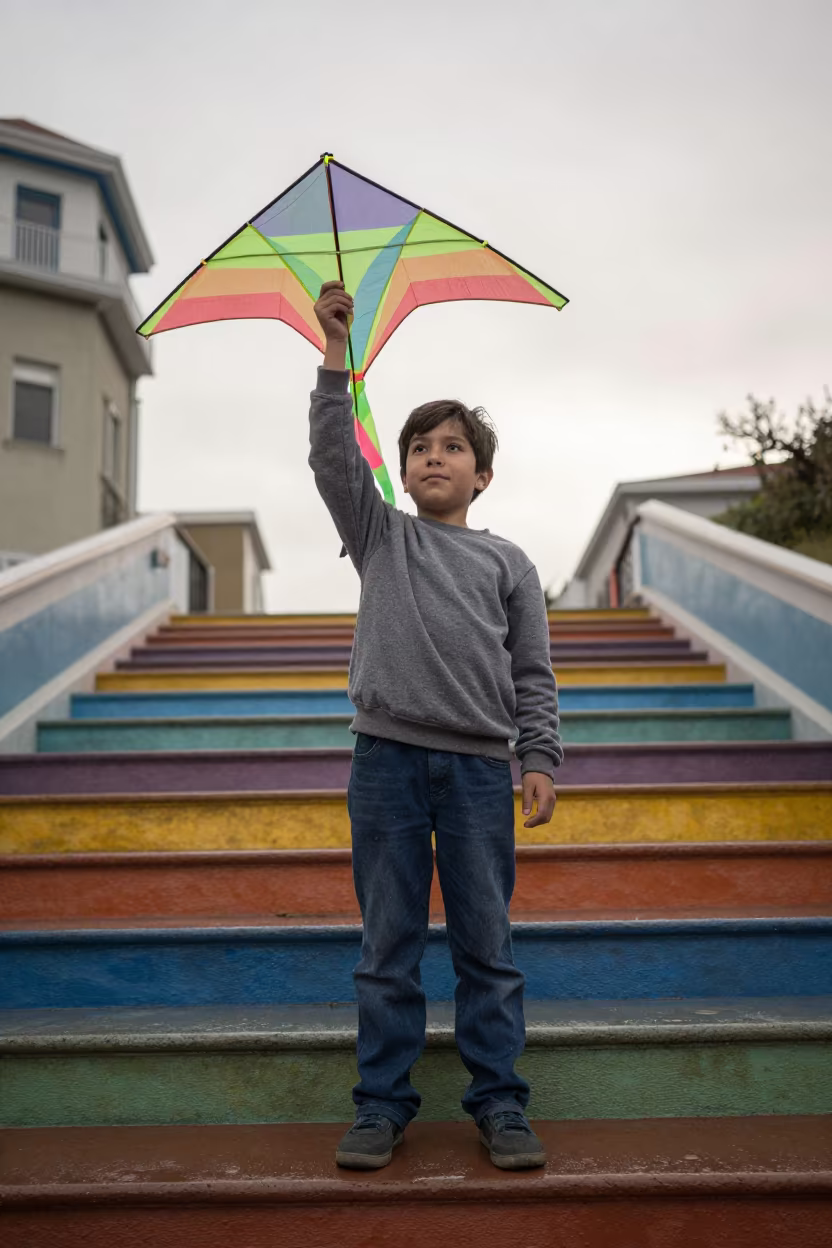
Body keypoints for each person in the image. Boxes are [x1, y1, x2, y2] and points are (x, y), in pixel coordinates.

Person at [309, 280, 562, 1172]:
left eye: (453, 447)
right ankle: (381, 1105)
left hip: (479, 775)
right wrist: (336, 355)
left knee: (486, 946)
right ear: (402, 468)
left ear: (481, 473)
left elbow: (532, 671)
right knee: (388, 948)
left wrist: (539, 755)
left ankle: (499, 1103)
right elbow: (335, 462)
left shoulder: (508, 560)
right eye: (418, 446)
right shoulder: (380, 534)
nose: (432, 456)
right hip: (385, 762)